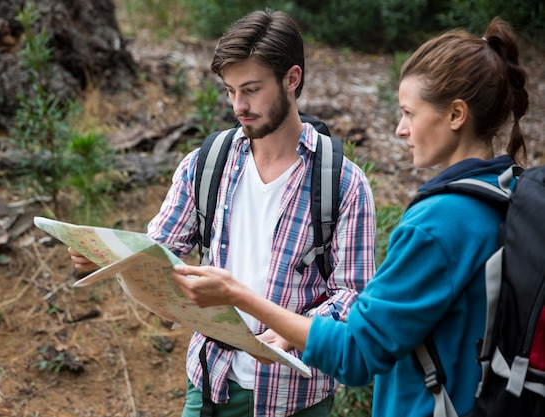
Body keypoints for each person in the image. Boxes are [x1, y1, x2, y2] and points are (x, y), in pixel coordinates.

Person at [171, 17, 530, 417]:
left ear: (456, 114)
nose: (399, 129)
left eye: (409, 113)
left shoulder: (435, 225)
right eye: (231, 91)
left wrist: (241, 298)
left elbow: (358, 352)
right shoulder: (512, 196)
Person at [69, 9, 376, 417]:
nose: (238, 106)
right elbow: (160, 251)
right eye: (230, 90)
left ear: (292, 79)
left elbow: (353, 296)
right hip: (211, 386)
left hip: (297, 398)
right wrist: (109, 256)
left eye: (251, 89)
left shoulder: (343, 183)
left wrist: (288, 334)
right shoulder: (206, 163)